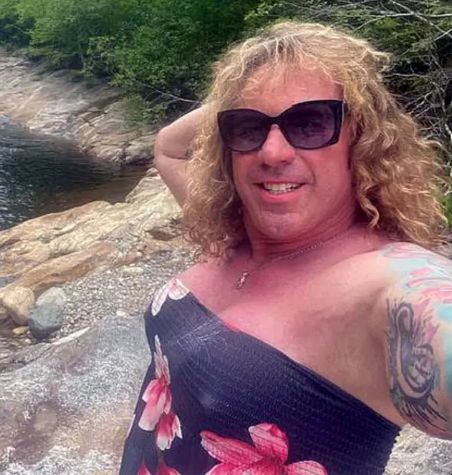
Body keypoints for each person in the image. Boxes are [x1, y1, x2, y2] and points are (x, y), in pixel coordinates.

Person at [119, 21, 452, 475]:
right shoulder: (234, 234)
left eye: (310, 123)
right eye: (248, 127)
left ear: (361, 136)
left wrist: (338, 93)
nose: (272, 152)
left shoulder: (384, 281)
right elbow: (168, 148)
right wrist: (250, 89)